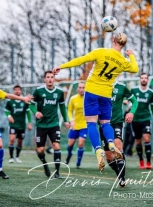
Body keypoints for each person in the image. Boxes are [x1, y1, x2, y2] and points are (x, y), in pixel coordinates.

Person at [53, 32, 139, 171]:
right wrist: (131, 55)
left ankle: (99, 150)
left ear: (113, 40)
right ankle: (111, 143)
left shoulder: (101, 52)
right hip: (106, 94)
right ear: (123, 45)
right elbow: (135, 69)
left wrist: (62, 67)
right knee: (105, 123)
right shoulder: (123, 61)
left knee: (91, 123)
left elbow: (80, 60)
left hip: (92, 92)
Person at [29, 71, 70, 179]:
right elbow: (31, 104)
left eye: (52, 77)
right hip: (41, 125)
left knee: (56, 146)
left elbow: (62, 107)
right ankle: (45, 164)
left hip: (54, 123)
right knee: (40, 150)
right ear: (44, 79)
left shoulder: (59, 92)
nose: (50, 79)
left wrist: (66, 120)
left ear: (54, 79)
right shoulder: (38, 91)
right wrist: (35, 112)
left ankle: (57, 172)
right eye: (48, 77)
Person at [100, 81, 138, 186]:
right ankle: (118, 173)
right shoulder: (99, 85)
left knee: (118, 147)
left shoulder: (121, 87)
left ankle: (122, 178)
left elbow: (135, 101)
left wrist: (131, 112)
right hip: (103, 124)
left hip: (117, 123)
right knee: (109, 157)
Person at [131, 73, 153, 170]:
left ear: (147, 80)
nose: (143, 80)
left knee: (147, 138)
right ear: (140, 80)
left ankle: (149, 162)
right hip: (135, 119)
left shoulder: (151, 93)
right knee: (138, 142)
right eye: (142, 78)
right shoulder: (134, 90)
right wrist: (126, 101)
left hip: (146, 119)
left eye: (145, 78)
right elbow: (128, 99)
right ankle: (141, 161)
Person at [5, 85, 32, 163]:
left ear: (21, 91)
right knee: (12, 139)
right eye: (15, 90)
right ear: (13, 91)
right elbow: (6, 110)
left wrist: (29, 123)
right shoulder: (10, 101)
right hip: (13, 125)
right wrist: (9, 116)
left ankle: (17, 156)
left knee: (20, 141)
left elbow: (28, 112)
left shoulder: (24, 101)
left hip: (22, 125)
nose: (17, 91)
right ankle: (11, 157)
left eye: (18, 90)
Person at [65, 82, 87, 168]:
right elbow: (69, 111)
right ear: (77, 89)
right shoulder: (73, 99)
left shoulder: (88, 99)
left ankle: (78, 163)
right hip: (74, 125)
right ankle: (69, 155)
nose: (81, 89)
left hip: (84, 125)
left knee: (81, 143)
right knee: (70, 144)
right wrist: (71, 121)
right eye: (80, 87)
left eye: (83, 87)